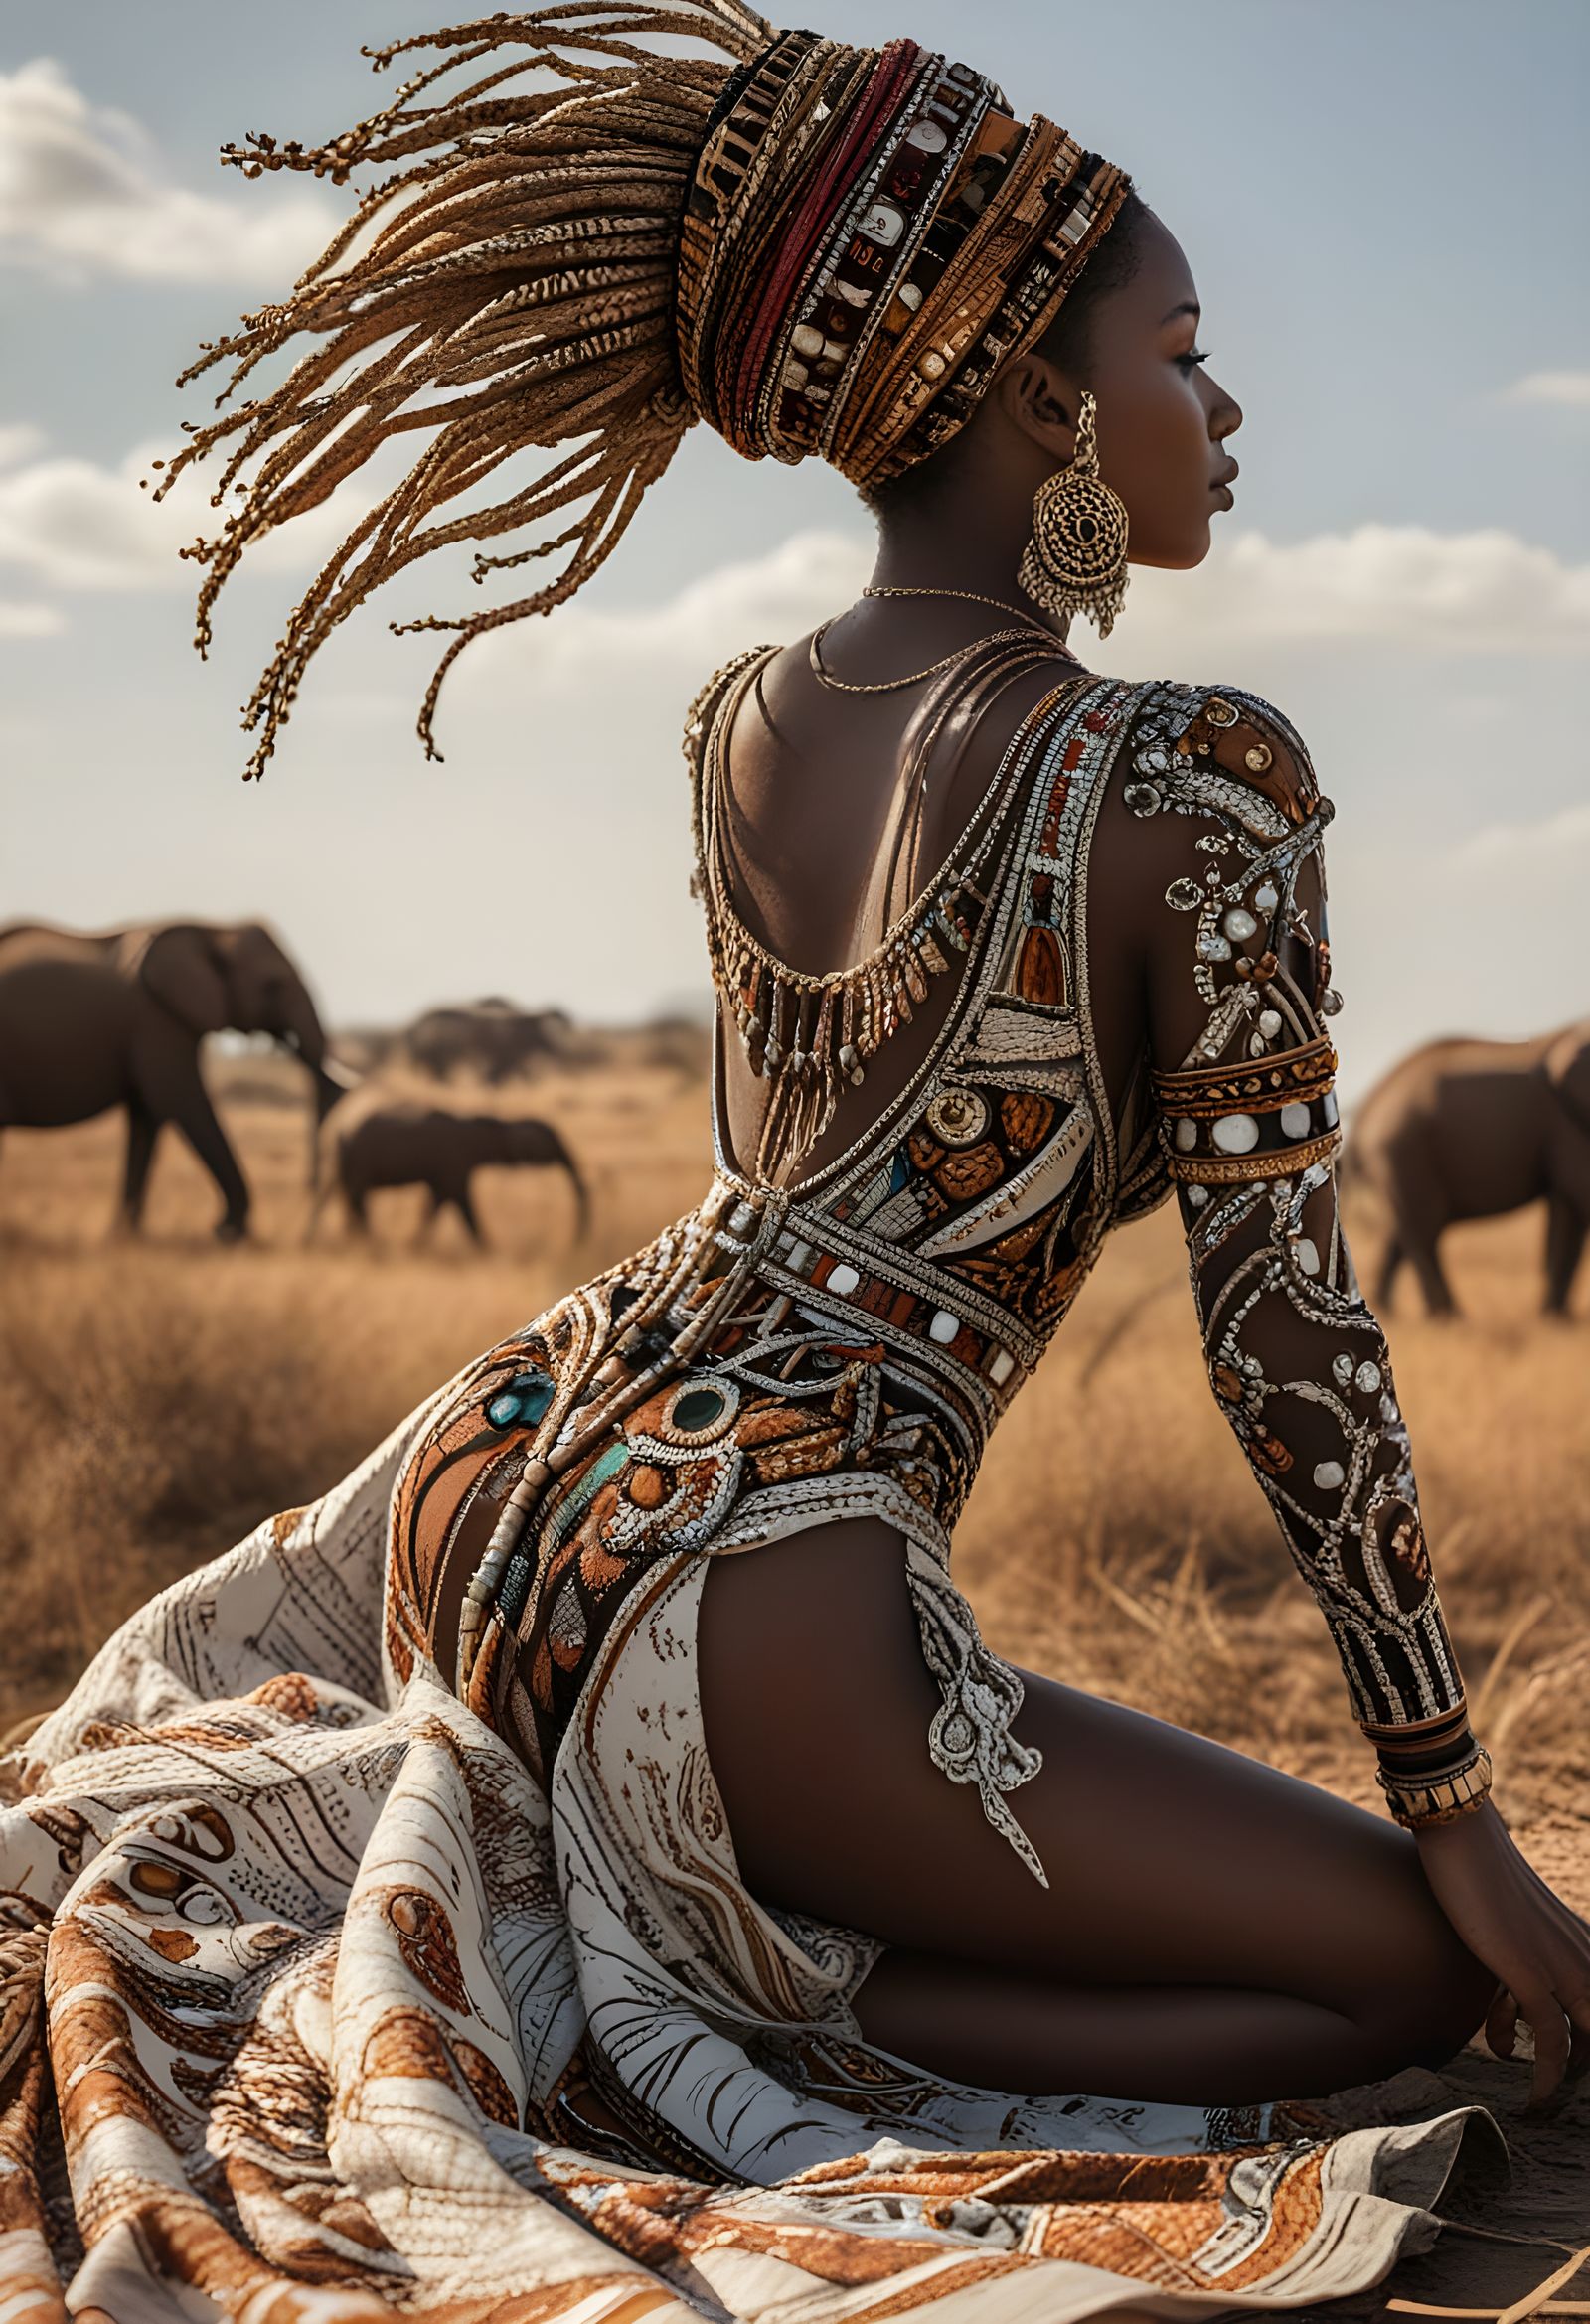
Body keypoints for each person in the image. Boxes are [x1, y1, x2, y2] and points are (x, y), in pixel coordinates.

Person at [6, 6, 1586, 2316]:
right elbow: (1290, 1336)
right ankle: (651, 2051)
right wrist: (1459, 1822)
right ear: (1039, 400)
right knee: (1403, 1987)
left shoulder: (734, 714)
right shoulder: (1194, 774)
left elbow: (796, 1178)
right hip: (772, 1592)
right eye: (1180, 348)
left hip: (500, 1474)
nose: (1220, 408)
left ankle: (630, 1983)